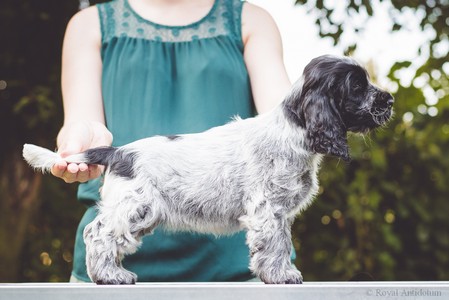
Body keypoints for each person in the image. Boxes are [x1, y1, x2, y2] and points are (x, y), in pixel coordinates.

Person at [52, 0, 292, 282]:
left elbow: (282, 121)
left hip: (240, 272)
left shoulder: (253, 21)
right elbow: (81, 119)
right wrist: (81, 139)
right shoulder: (88, 24)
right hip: (105, 282)